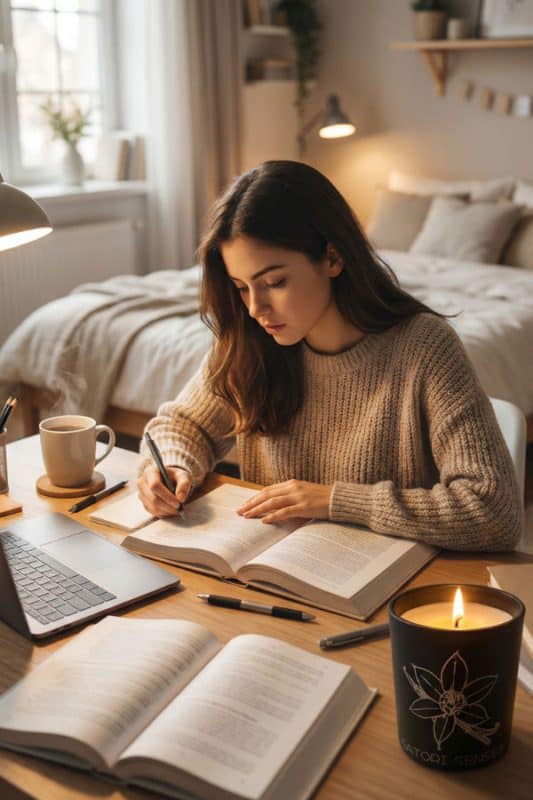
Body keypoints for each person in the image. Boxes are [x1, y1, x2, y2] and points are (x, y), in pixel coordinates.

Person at [137, 160, 521, 552]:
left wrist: (336, 501)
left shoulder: (425, 348)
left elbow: (493, 511)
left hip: (384, 585)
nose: (256, 308)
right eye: (241, 287)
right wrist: (172, 465)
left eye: (274, 282)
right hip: (276, 573)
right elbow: (183, 426)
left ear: (334, 258)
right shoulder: (251, 340)